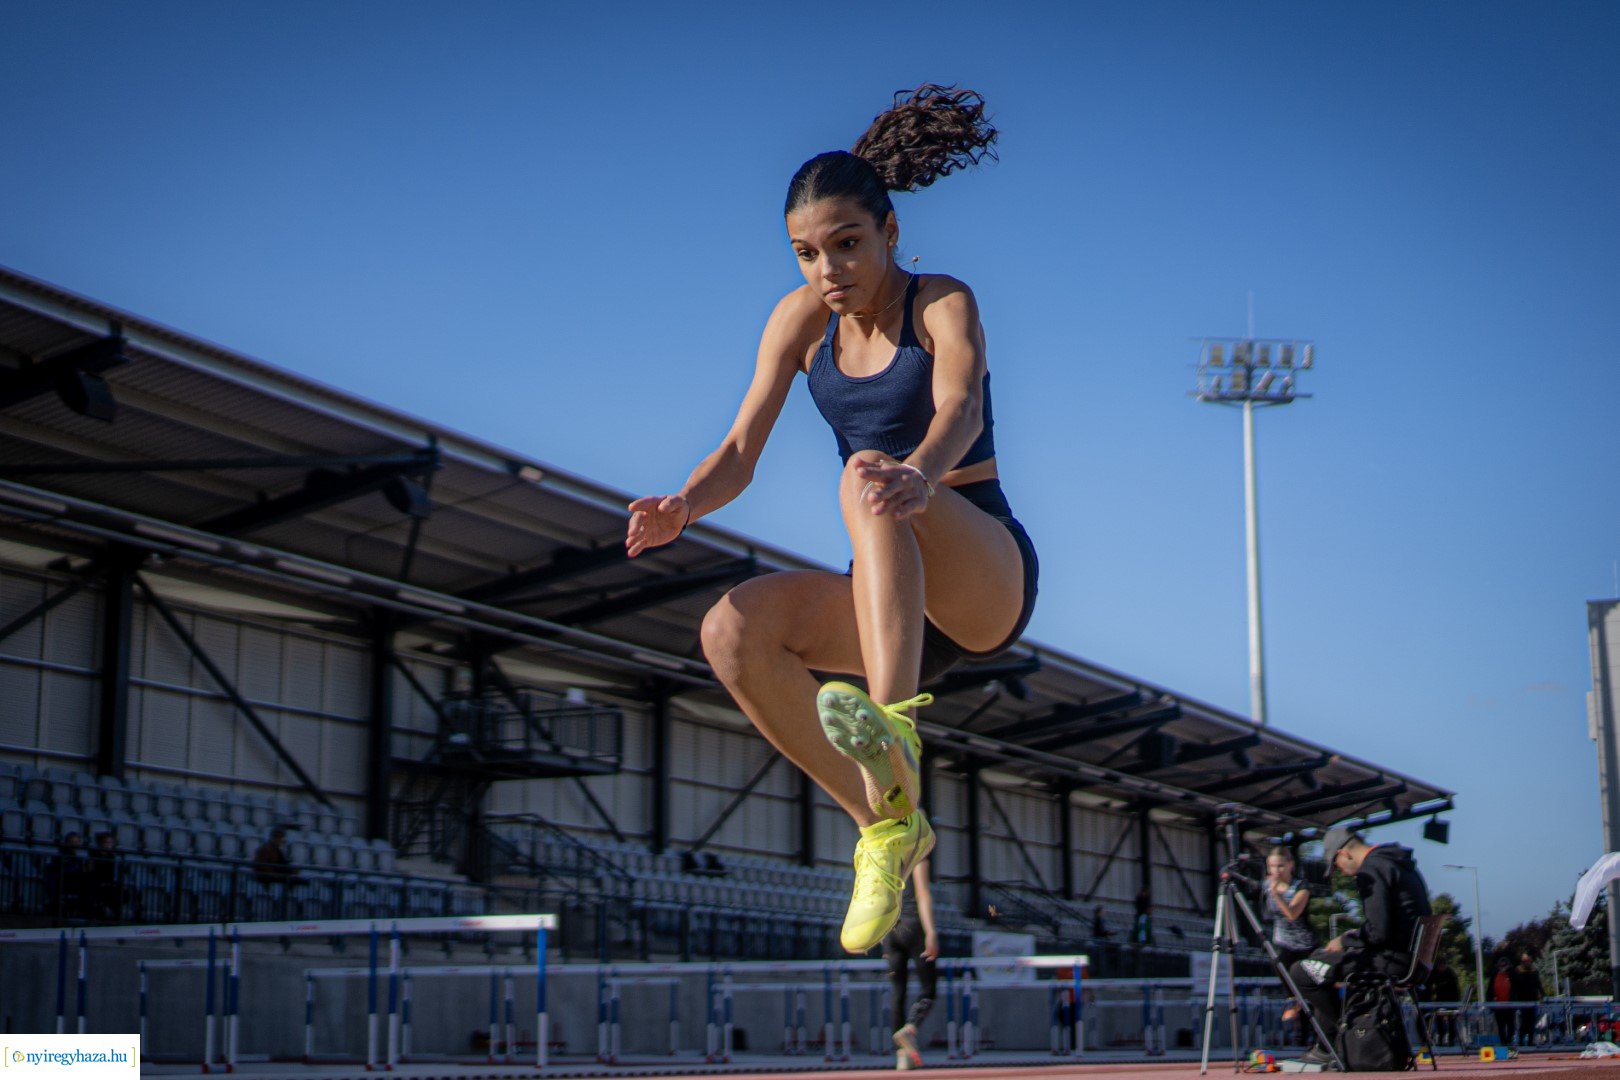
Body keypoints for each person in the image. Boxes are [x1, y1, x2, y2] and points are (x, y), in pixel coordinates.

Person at [626, 84, 1038, 954]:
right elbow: (740, 449)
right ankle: (886, 823)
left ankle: (894, 727)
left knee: (866, 473)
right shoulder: (799, 322)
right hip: (891, 599)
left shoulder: (941, 302)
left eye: (847, 244)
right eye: (807, 254)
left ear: (889, 232)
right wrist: (684, 504)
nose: (829, 270)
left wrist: (920, 475)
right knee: (730, 630)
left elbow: (961, 407)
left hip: (980, 566)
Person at [1287, 825, 1431, 1068]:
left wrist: (1343, 941)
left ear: (1344, 853)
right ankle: (1330, 1044)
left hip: (1392, 960)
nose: (1342, 873)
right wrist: (1352, 940)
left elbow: (1378, 933)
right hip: (1413, 959)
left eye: (1337, 866)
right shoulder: (1399, 863)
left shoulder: (1371, 870)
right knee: (1320, 962)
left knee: (1302, 971)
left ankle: (1338, 1039)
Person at [886, 857, 939, 1071]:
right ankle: (910, 1028)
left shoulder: (886, 860)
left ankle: (902, 1056)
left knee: (898, 991)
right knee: (929, 989)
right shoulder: (917, 857)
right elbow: (922, 894)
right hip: (913, 925)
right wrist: (931, 932)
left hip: (891, 930)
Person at [1264, 846, 1317, 1043]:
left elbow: (1292, 914)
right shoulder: (1266, 885)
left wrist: (1277, 895)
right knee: (1283, 971)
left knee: (1307, 989)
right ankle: (1298, 1032)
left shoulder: (1301, 886)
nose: (1276, 871)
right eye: (1272, 866)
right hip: (1282, 942)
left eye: (1280, 866)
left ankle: (1314, 1034)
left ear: (1290, 865)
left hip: (1305, 944)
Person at [1422, 955, 1461, 1047]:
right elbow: (1428, 984)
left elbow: (1456, 990)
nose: (1441, 967)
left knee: (1451, 1019)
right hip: (1440, 998)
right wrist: (1431, 993)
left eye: (1443, 965)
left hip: (1451, 999)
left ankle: (1451, 1040)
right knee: (1438, 1017)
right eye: (1440, 965)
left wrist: (1456, 1004)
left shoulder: (1450, 973)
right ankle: (1440, 1038)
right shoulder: (1434, 972)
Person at [85, 830, 124, 921]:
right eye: (106, 842)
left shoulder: (112, 857)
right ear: (100, 843)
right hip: (95, 882)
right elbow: (89, 871)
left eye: (111, 843)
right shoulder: (93, 854)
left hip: (108, 883)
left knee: (121, 893)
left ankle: (115, 918)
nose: (108, 845)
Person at [48, 831, 87, 919]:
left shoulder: (77, 858)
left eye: (76, 842)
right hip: (63, 882)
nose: (74, 845)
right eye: (71, 842)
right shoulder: (61, 856)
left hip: (75, 882)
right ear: (66, 843)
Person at [1509, 952, 1542, 1047]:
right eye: (1525, 961)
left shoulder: (1534, 971)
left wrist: (1542, 994)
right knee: (1524, 1022)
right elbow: (1514, 986)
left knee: (1532, 1022)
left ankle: (1530, 1041)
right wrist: (1513, 998)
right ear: (1522, 961)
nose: (1527, 962)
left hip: (1532, 1000)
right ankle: (1521, 1041)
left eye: (1528, 960)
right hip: (1522, 1001)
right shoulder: (1518, 971)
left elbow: (1538, 983)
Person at [1490, 955, 1515, 1045]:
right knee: (1501, 1026)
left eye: (1505, 966)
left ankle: (1509, 1042)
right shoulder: (1495, 975)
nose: (1503, 968)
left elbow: (1516, 989)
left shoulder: (1512, 975)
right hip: (1498, 1006)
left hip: (1509, 1006)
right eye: (1501, 966)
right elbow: (1490, 990)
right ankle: (1503, 1043)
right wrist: (1491, 1002)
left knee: (1511, 1026)